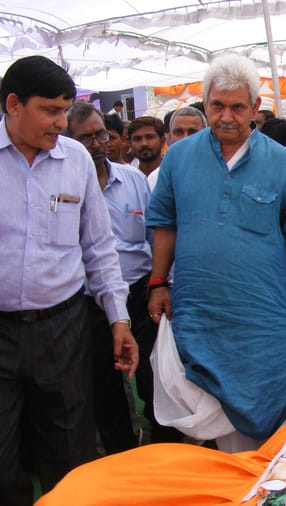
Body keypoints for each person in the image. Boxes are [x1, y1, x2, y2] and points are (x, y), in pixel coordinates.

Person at [146, 54, 286, 450]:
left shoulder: (282, 163)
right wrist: (158, 281)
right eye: (217, 106)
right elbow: (165, 223)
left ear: (255, 107)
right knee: (208, 404)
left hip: (263, 318)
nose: (226, 117)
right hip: (201, 314)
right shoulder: (178, 158)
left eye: (237, 107)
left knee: (276, 407)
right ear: (205, 103)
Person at [0, 55, 138, 506]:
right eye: (50, 110)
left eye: (64, 110)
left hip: (62, 329)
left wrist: (118, 319)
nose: (61, 123)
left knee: (69, 450)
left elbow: (99, 246)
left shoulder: (74, 159)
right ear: (14, 104)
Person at [66, 101, 183, 451]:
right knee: (105, 384)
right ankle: (122, 452)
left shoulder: (133, 180)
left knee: (154, 376)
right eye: (86, 138)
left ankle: (165, 448)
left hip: (139, 294)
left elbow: (156, 236)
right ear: (69, 142)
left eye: (101, 134)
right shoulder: (66, 184)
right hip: (91, 303)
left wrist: (161, 283)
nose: (97, 144)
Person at [147, 107, 207, 190]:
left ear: (206, 135)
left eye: (192, 132)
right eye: (179, 132)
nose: (185, 138)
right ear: (169, 137)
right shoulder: (156, 178)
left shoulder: (220, 173)